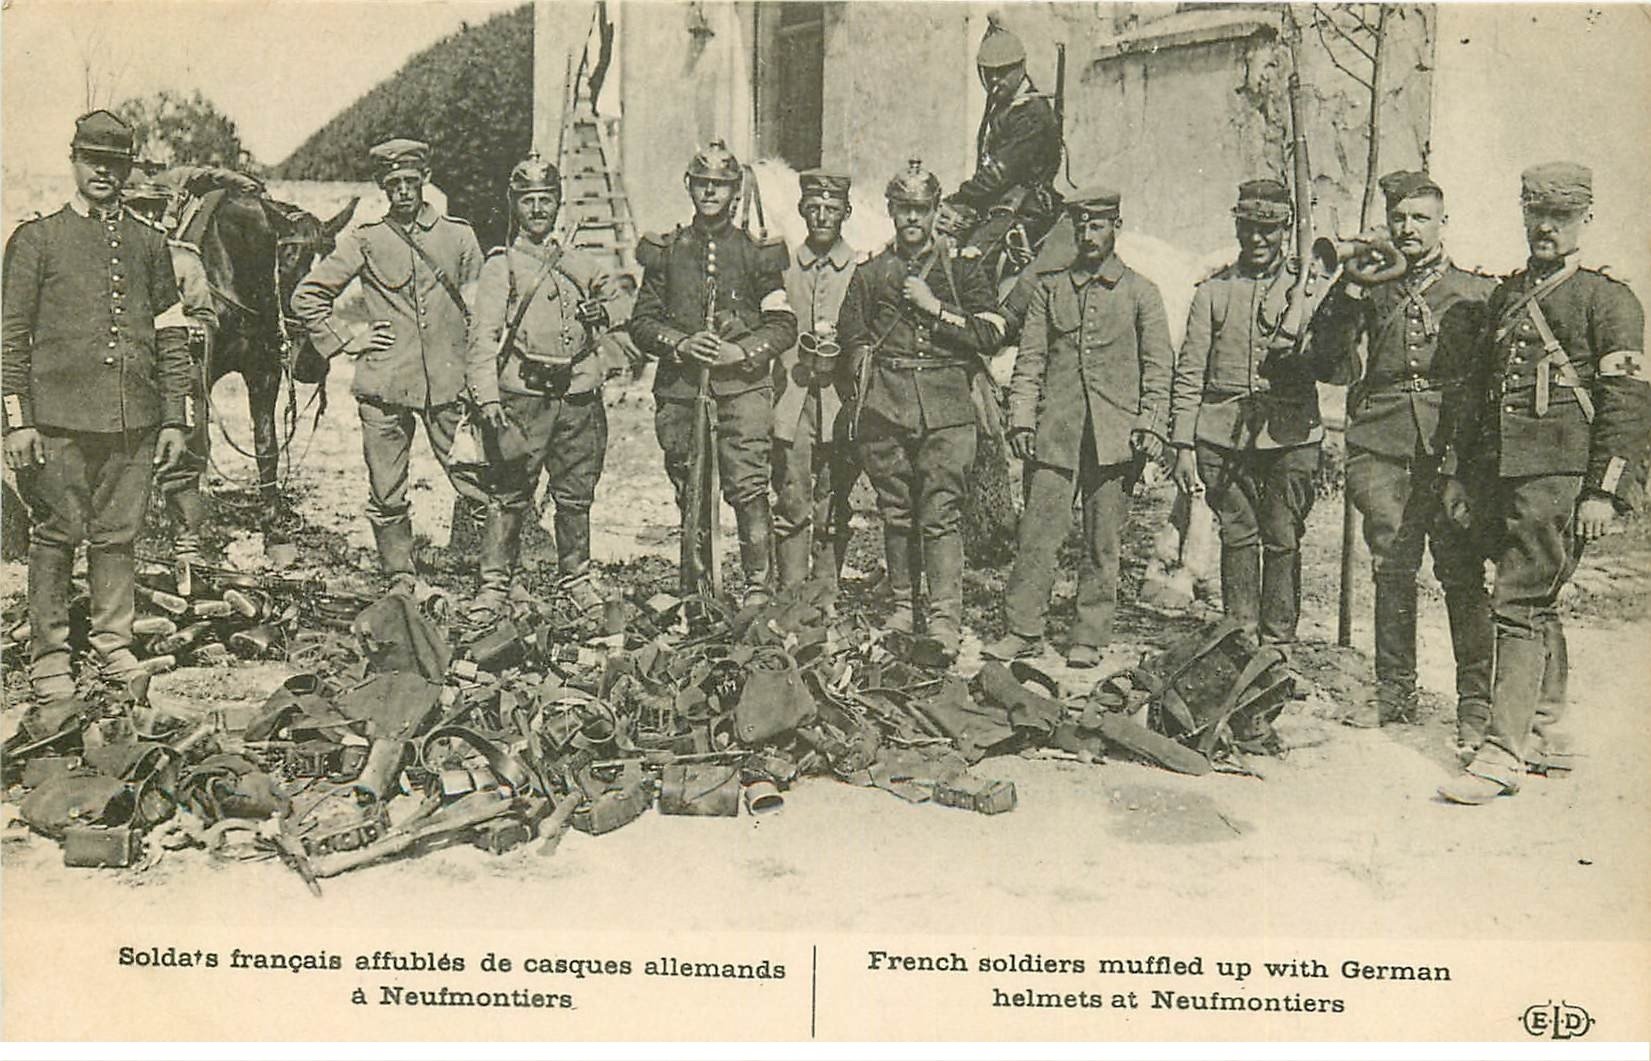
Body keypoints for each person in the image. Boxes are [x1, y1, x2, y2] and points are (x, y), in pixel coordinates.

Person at [1437, 162, 1650, 804]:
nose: (1545, 228)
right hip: (1505, 474)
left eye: (1559, 217)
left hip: (1562, 474)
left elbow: (1625, 403)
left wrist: (1603, 490)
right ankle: (1545, 731)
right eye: (1536, 215)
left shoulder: (1608, 301)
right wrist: (1458, 473)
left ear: (1584, 219)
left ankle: (1503, 751)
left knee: (1520, 601)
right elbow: (1479, 394)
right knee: (1539, 599)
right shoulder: (1506, 295)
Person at [1, 111, 191, 702]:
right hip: (56, 422)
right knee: (55, 534)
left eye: (116, 164)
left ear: (129, 169)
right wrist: (18, 421)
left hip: (132, 420)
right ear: (75, 163)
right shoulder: (37, 240)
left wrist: (175, 417)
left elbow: (171, 335)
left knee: (117, 534)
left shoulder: (150, 243)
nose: (104, 173)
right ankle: (50, 654)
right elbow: (10, 338)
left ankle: (113, 644)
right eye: (93, 162)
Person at [1308, 171, 1496, 744]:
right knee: (1392, 562)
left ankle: (1475, 702)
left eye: (1420, 217)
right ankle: (1395, 689)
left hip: (1449, 443)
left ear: (1443, 223)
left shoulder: (1474, 292)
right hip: (1381, 441)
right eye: (1400, 218)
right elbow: (1323, 357)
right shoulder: (1369, 285)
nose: (1408, 228)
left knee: (1460, 569)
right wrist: (1352, 287)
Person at [987, 185, 1173, 667]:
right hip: (1056, 433)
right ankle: (1023, 627)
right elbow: (1030, 362)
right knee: (1038, 535)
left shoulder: (1141, 294)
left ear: (1117, 227)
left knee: (1102, 540)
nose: (1089, 236)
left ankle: (1088, 635)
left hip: (1115, 439)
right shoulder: (1050, 291)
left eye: (1099, 225)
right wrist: (1022, 418)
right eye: (1082, 226)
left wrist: (1150, 425)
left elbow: (1158, 369)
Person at [290, 138, 484, 596]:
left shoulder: (459, 237)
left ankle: (494, 575)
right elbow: (307, 296)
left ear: (425, 182)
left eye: (410, 182)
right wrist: (347, 340)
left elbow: (482, 308)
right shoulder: (366, 240)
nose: (402, 192)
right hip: (385, 383)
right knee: (386, 490)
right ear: (382, 187)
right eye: (392, 183)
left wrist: (480, 371)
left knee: (475, 480)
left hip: (449, 383)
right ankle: (400, 576)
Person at [839, 160, 1008, 664]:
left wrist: (935, 307)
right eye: (904, 208)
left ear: (936, 212)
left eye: (922, 209)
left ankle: (943, 620)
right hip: (887, 405)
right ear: (891, 211)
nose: (913, 218)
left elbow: (991, 333)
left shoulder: (963, 268)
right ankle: (900, 610)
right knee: (896, 511)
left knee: (940, 515)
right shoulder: (872, 272)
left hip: (946, 406)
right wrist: (861, 364)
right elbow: (852, 332)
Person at [627, 139, 796, 607]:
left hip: (743, 388)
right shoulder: (666, 250)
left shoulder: (758, 253)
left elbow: (783, 324)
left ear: (735, 191)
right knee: (690, 485)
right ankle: (697, 587)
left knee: (747, 485)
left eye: (719, 186)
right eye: (702, 184)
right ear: (689, 186)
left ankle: (758, 587)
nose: (710, 193)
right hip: (682, 390)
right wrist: (679, 343)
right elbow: (641, 322)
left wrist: (739, 352)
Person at [465, 153, 629, 619]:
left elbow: (623, 301)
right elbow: (483, 339)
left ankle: (575, 579)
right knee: (509, 492)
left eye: (546, 200)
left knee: (576, 493)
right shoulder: (503, 266)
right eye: (529, 201)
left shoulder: (580, 262)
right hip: (523, 396)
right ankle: (496, 583)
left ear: (559, 204)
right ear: (515, 206)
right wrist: (488, 399)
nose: (538, 210)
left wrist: (606, 314)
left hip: (578, 394)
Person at [1169, 179, 1322, 649]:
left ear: (1286, 229)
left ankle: (1277, 641)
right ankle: (1240, 633)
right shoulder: (1213, 293)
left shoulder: (1308, 291)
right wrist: (1182, 443)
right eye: (1249, 227)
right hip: (1222, 434)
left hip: (1290, 435)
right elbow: (1190, 371)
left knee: (1282, 535)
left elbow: (1335, 357)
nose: (1257, 238)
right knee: (1237, 531)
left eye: (1269, 229)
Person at [123, 173, 223, 567]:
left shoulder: (182, 259)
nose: (148, 218)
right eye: (138, 209)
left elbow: (206, 318)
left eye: (154, 209)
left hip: (172, 371)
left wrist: (188, 329)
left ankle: (187, 541)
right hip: (122, 375)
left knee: (183, 455)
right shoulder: (101, 258)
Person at [771, 168, 861, 595]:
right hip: (792, 401)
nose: (823, 216)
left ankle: (826, 592)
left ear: (846, 212)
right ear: (803, 211)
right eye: (814, 208)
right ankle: (791, 594)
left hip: (841, 402)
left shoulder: (861, 269)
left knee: (834, 498)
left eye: (832, 208)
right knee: (791, 497)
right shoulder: (784, 268)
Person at [938, 16, 1063, 282]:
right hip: (999, 199)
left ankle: (982, 320)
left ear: (1021, 68)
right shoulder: (1007, 104)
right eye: (988, 72)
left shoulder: (1030, 113)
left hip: (1025, 206)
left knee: (973, 262)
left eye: (1003, 71)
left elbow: (998, 173)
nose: (995, 79)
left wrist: (959, 197)